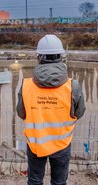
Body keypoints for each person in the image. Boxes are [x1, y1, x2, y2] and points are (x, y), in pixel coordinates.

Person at [17, 34, 85, 185]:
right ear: (60, 57)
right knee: (59, 183)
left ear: (39, 57)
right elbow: (79, 113)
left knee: (34, 181)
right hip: (62, 145)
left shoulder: (26, 86)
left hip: (35, 145)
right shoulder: (73, 86)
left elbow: (21, 113)